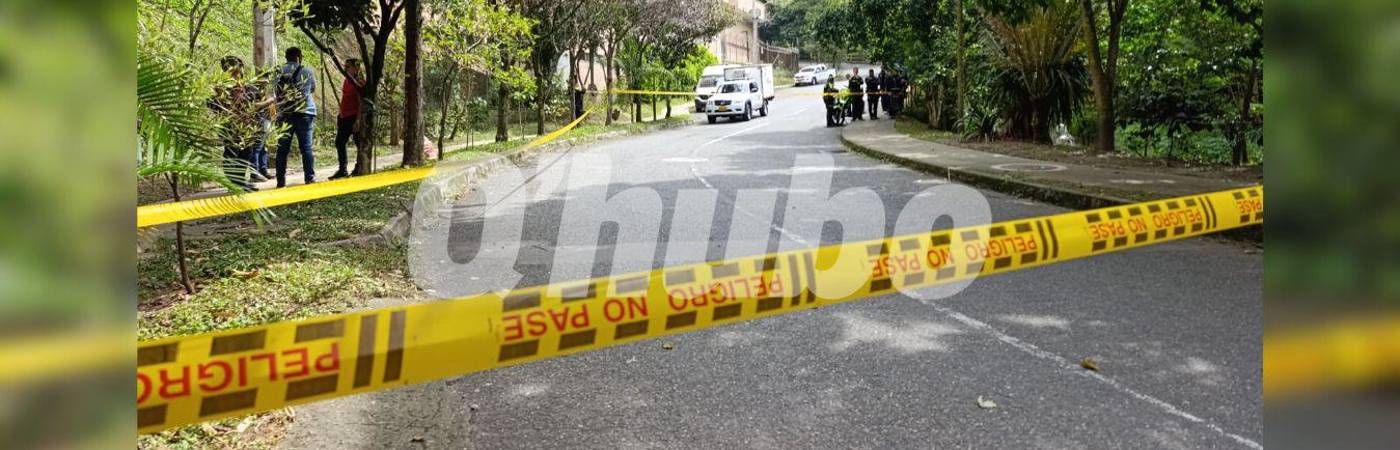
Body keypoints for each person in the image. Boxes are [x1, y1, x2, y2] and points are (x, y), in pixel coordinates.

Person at [209, 56, 274, 191]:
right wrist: (267, 102)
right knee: (232, 155)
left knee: (245, 154)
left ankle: (240, 183)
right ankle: (234, 184)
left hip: (246, 128)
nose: (238, 73)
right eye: (235, 71)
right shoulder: (222, 88)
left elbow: (252, 101)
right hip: (232, 128)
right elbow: (212, 103)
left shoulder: (244, 86)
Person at [274, 47, 318, 187]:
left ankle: (281, 182)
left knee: (282, 149)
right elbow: (311, 89)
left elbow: (274, 91)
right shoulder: (306, 71)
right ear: (299, 57)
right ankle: (309, 178)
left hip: (285, 113)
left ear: (286, 57)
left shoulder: (278, 71)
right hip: (304, 113)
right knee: (306, 148)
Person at [329, 59, 364, 180]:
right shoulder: (346, 81)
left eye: (348, 66)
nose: (345, 68)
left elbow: (361, 103)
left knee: (358, 143)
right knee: (339, 142)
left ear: (356, 68)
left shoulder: (359, 82)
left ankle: (359, 166)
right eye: (345, 66)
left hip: (354, 117)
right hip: (344, 117)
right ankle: (342, 169)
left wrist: (358, 120)